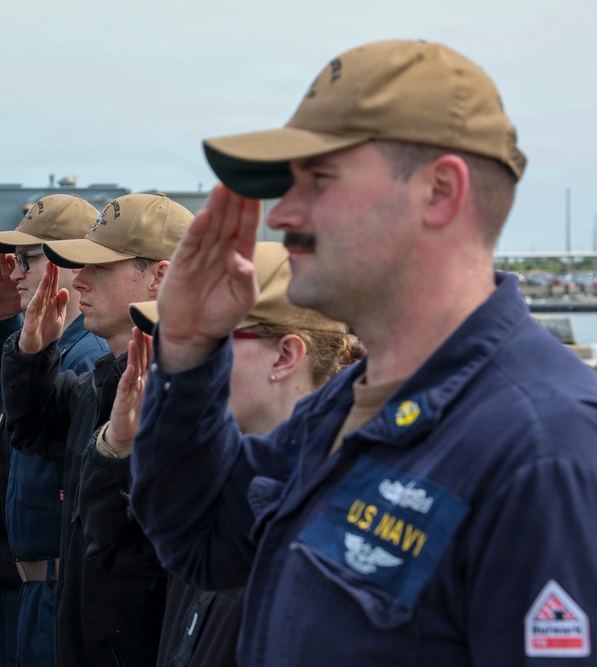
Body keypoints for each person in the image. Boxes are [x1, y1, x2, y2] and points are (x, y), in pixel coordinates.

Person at [130, 39, 597, 666]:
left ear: (439, 191)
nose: (286, 212)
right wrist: (188, 351)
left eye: (318, 179)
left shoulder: (545, 453)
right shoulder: (344, 406)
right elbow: (202, 539)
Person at [93, 242, 363, 666]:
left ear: (287, 355)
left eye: (208, 339)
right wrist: (124, 453)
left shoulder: (334, 504)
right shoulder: (217, 474)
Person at [1, 193, 192, 666]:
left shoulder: (188, 400)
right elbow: (32, 430)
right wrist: (32, 352)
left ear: (160, 278)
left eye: (101, 268)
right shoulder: (102, 381)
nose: (80, 280)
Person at [0, 194, 110, 667]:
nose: (15, 273)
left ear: (70, 259)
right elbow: (5, 407)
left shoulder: (88, 354)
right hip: (35, 574)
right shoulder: (60, 341)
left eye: (28, 259)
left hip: (58, 581)